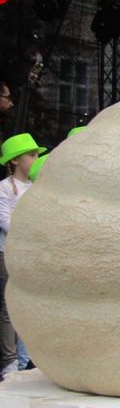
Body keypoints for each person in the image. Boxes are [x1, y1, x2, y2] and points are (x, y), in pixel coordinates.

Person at [0, 133, 46, 377]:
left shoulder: (38, 187)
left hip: (32, 253)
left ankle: (29, 358)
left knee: (31, 305)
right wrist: (26, 232)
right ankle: (10, 361)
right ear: (15, 160)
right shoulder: (4, 188)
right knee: (9, 309)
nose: (36, 159)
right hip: (7, 252)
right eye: (31, 155)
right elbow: (3, 218)